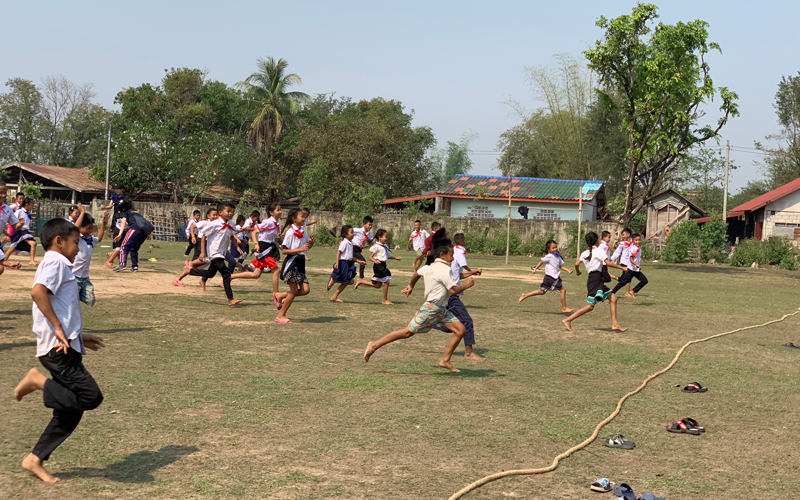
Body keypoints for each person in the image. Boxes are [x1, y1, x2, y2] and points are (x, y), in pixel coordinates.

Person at [12, 218, 105, 484]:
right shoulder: (56, 261)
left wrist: (77, 336)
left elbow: (62, 305)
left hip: (65, 344)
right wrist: (57, 328)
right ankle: (37, 381)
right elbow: (38, 292)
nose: (78, 248)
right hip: (57, 348)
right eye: (76, 243)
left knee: (71, 409)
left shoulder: (61, 263)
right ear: (59, 241)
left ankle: (35, 459)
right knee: (91, 397)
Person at [363, 236, 473, 373]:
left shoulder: (429, 267)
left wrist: (410, 286)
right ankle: (374, 345)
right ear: (442, 255)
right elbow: (453, 291)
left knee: (461, 330)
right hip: (432, 309)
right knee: (407, 332)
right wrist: (467, 285)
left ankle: (445, 360)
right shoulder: (445, 270)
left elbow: (416, 274)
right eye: (451, 256)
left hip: (441, 310)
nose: (453, 259)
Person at [172, 202, 243, 307]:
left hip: (222, 253)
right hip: (214, 253)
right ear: (220, 212)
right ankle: (230, 299)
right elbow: (204, 236)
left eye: (232, 212)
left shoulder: (231, 224)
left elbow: (232, 236)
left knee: (210, 274)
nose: (231, 214)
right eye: (228, 211)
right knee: (226, 274)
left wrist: (237, 247)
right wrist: (203, 252)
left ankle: (190, 270)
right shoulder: (214, 224)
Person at [431, 232, 486, 361]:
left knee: (456, 326)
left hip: (451, 295)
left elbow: (458, 276)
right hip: (451, 296)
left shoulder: (451, 256)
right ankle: (468, 352)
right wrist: (466, 285)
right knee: (467, 321)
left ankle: (431, 322)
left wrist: (472, 272)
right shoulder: (449, 257)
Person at [562, 232, 628, 333]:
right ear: (597, 241)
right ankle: (568, 320)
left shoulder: (585, 253)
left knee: (613, 298)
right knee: (590, 306)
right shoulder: (599, 251)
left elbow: (576, 263)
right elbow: (608, 263)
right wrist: (622, 267)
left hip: (593, 279)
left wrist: (578, 271)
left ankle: (615, 324)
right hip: (596, 279)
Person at [230, 203, 282, 303]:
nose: (280, 211)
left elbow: (273, 238)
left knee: (256, 275)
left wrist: (280, 247)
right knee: (276, 271)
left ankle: (231, 277)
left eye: (280, 209)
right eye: (278, 210)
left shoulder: (277, 223)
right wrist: (256, 244)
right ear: (271, 212)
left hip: (269, 247)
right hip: (263, 248)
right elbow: (254, 232)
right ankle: (277, 295)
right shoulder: (267, 222)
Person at [273, 208, 315, 324]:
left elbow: (306, 247)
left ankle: (280, 295)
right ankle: (280, 316)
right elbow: (285, 251)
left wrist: (311, 244)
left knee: (305, 290)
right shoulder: (290, 233)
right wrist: (299, 249)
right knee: (294, 290)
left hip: (301, 263)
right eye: (302, 216)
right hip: (292, 263)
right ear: (294, 219)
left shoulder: (302, 232)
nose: (304, 218)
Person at [518, 239, 575, 313]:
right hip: (552, 278)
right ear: (549, 249)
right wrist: (535, 269)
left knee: (542, 292)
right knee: (563, 290)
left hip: (552, 277)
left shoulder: (558, 256)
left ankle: (525, 295)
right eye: (553, 248)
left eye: (556, 247)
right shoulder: (549, 256)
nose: (555, 249)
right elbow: (541, 261)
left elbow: (561, 266)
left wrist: (568, 270)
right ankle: (564, 308)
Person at [71, 205, 109, 307]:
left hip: (85, 277)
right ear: (81, 227)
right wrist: (82, 213)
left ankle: (76, 296)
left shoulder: (90, 239)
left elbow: (99, 239)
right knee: (72, 302)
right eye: (88, 228)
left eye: (92, 228)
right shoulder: (76, 238)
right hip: (74, 276)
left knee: (90, 300)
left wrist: (104, 224)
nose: (91, 230)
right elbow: (74, 229)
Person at [354, 229, 402, 305]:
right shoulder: (376, 246)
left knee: (378, 285)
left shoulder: (384, 246)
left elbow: (386, 256)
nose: (386, 238)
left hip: (383, 265)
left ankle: (361, 281)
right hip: (378, 266)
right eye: (385, 236)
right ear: (380, 237)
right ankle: (385, 300)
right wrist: (375, 261)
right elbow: (370, 257)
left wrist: (396, 258)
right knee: (387, 281)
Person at [328, 225, 364, 303]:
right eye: (351, 232)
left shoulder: (351, 243)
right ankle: (334, 288)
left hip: (349, 263)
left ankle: (334, 285)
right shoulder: (344, 243)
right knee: (347, 281)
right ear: (346, 234)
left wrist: (358, 261)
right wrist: (337, 263)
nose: (353, 234)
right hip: (343, 263)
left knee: (350, 281)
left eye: (353, 232)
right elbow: (338, 253)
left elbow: (351, 256)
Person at [112, 200, 149, 273]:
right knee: (134, 248)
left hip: (134, 230)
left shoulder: (125, 212)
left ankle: (122, 265)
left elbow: (123, 223)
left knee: (123, 247)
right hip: (144, 232)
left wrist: (120, 234)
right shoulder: (136, 212)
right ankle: (134, 266)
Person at [611, 233, 648, 299]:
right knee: (623, 282)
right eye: (636, 240)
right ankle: (611, 293)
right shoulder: (633, 248)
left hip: (635, 270)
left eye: (639, 240)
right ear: (633, 241)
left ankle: (633, 291)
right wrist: (636, 264)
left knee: (644, 281)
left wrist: (637, 265)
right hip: (631, 269)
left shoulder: (638, 248)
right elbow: (631, 259)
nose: (638, 241)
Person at [6, 197, 38, 266]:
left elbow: (26, 223)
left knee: (32, 243)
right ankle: (3, 262)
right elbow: (12, 219)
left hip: (25, 232)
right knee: (13, 247)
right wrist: (18, 222)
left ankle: (31, 261)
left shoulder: (28, 214)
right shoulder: (19, 211)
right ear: (27, 204)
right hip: (19, 231)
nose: (33, 207)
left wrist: (30, 222)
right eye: (32, 205)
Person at [610, 228, 634, 298]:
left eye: (623, 234)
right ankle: (627, 292)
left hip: (630, 262)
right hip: (624, 262)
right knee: (628, 277)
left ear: (628, 234)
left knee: (623, 279)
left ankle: (612, 276)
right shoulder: (622, 244)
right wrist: (611, 259)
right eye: (622, 235)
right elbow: (617, 253)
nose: (622, 236)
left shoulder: (633, 243)